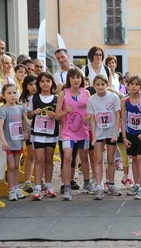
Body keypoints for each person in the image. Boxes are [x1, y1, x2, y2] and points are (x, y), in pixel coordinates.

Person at [55, 67, 91, 201]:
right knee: (68, 157)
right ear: (68, 79)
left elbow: (90, 111)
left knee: (84, 158)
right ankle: (67, 186)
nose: (76, 80)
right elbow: (57, 115)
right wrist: (65, 112)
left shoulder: (86, 93)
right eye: (73, 77)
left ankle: (87, 183)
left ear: (81, 79)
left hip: (83, 130)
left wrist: (88, 117)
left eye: (78, 77)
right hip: (67, 132)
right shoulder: (63, 94)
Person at [27, 72, 59, 201]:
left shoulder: (57, 98)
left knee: (49, 159)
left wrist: (55, 116)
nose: (45, 83)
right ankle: (38, 187)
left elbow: (60, 116)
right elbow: (28, 115)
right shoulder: (34, 98)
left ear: (52, 82)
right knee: (39, 159)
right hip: (38, 133)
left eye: (48, 81)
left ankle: (49, 185)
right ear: (39, 83)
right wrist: (34, 112)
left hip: (51, 133)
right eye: (42, 81)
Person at [89, 74, 121, 200]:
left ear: (107, 84)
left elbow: (118, 115)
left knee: (111, 159)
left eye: (103, 84)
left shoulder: (113, 97)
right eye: (98, 84)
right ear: (94, 86)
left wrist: (116, 133)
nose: (100, 87)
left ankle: (111, 183)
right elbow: (92, 119)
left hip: (111, 132)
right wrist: (93, 136)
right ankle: (98, 185)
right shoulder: (92, 99)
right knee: (98, 159)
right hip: (99, 132)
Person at [121, 75, 141, 199]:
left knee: (140, 159)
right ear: (128, 86)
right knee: (133, 159)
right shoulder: (125, 100)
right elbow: (122, 119)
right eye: (132, 84)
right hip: (130, 133)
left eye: (137, 84)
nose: (134, 86)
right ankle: (137, 184)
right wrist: (124, 137)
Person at [0, 84, 28, 201]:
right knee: (11, 166)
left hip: (18, 141)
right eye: (9, 93)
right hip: (8, 143)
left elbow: (23, 120)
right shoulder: (4, 110)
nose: (12, 95)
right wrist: (3, 140)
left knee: (16, 166)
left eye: (14, 93)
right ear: (3, 96)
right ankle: (11, 190)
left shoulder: (20, 108)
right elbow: (0, 126)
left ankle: (15, 188)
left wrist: (25, 132)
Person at [19, 75, 38, 193]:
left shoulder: (40, 97)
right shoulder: (23, 101)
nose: (33, 87)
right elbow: (22, 117)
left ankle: (39, 179)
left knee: (40, 157)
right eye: (30, 84)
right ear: (26, 86)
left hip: (41, 130)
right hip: (29, 130)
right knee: (30, 156)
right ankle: (27, 181)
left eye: (35, 84)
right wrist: (25, 130)